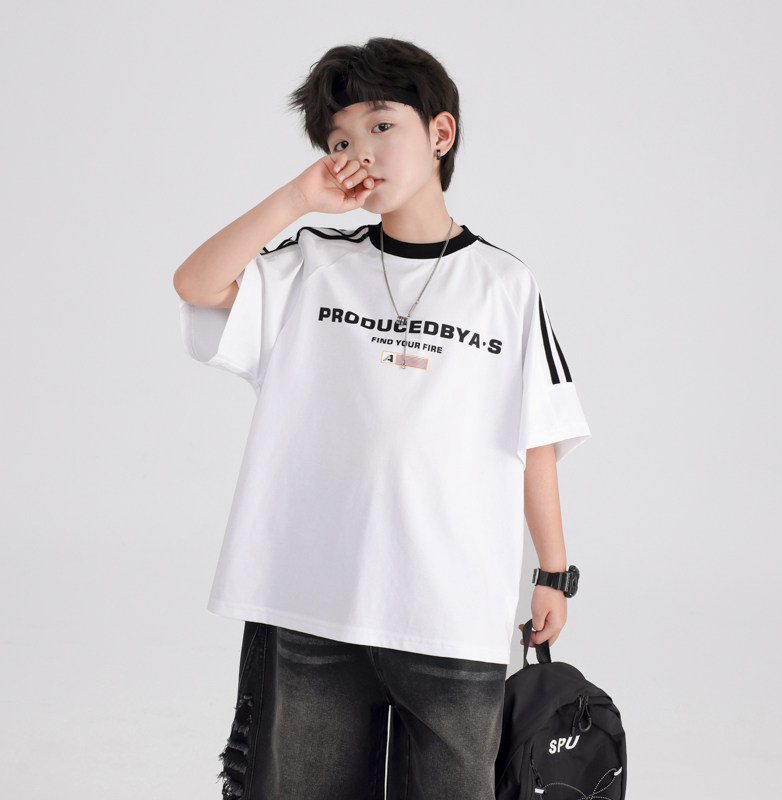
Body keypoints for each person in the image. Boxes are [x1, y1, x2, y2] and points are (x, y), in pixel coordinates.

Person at [173, 36, 591, 800]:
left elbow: (535, 437)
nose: (356, 153)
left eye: (380, 125)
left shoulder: (505, 285)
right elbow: (197, 284)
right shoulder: (314, 264)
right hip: (314, 608)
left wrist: (553, 572)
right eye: (338, 141)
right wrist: (296, 199)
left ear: (441, 132)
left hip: (451, 611)